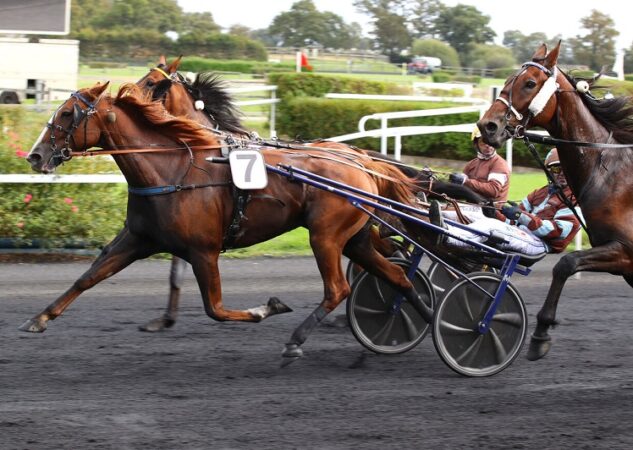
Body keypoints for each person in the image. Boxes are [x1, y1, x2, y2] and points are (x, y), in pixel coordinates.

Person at [431, 148, 582, 256]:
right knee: (478, 214)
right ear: (549, 172)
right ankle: (433, 219)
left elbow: (558, 231)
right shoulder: (539, 193)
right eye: (556, 169)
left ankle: (447, 237)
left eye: (565, 169)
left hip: (541, 244)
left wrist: (521, 216)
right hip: (524, 234)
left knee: (491, 226)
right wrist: (496, 214)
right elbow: (513, 222)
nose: (561, 173)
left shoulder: (575, 198)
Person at [449, 127, 511, 204]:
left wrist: (465, 181)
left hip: (491, 210)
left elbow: (493, 190)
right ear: (476, 144)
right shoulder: (471, 164)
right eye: (484, 142)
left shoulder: (499, 164)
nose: (488, 145)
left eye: (491, 141)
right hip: (471, 207)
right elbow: (462, 190)